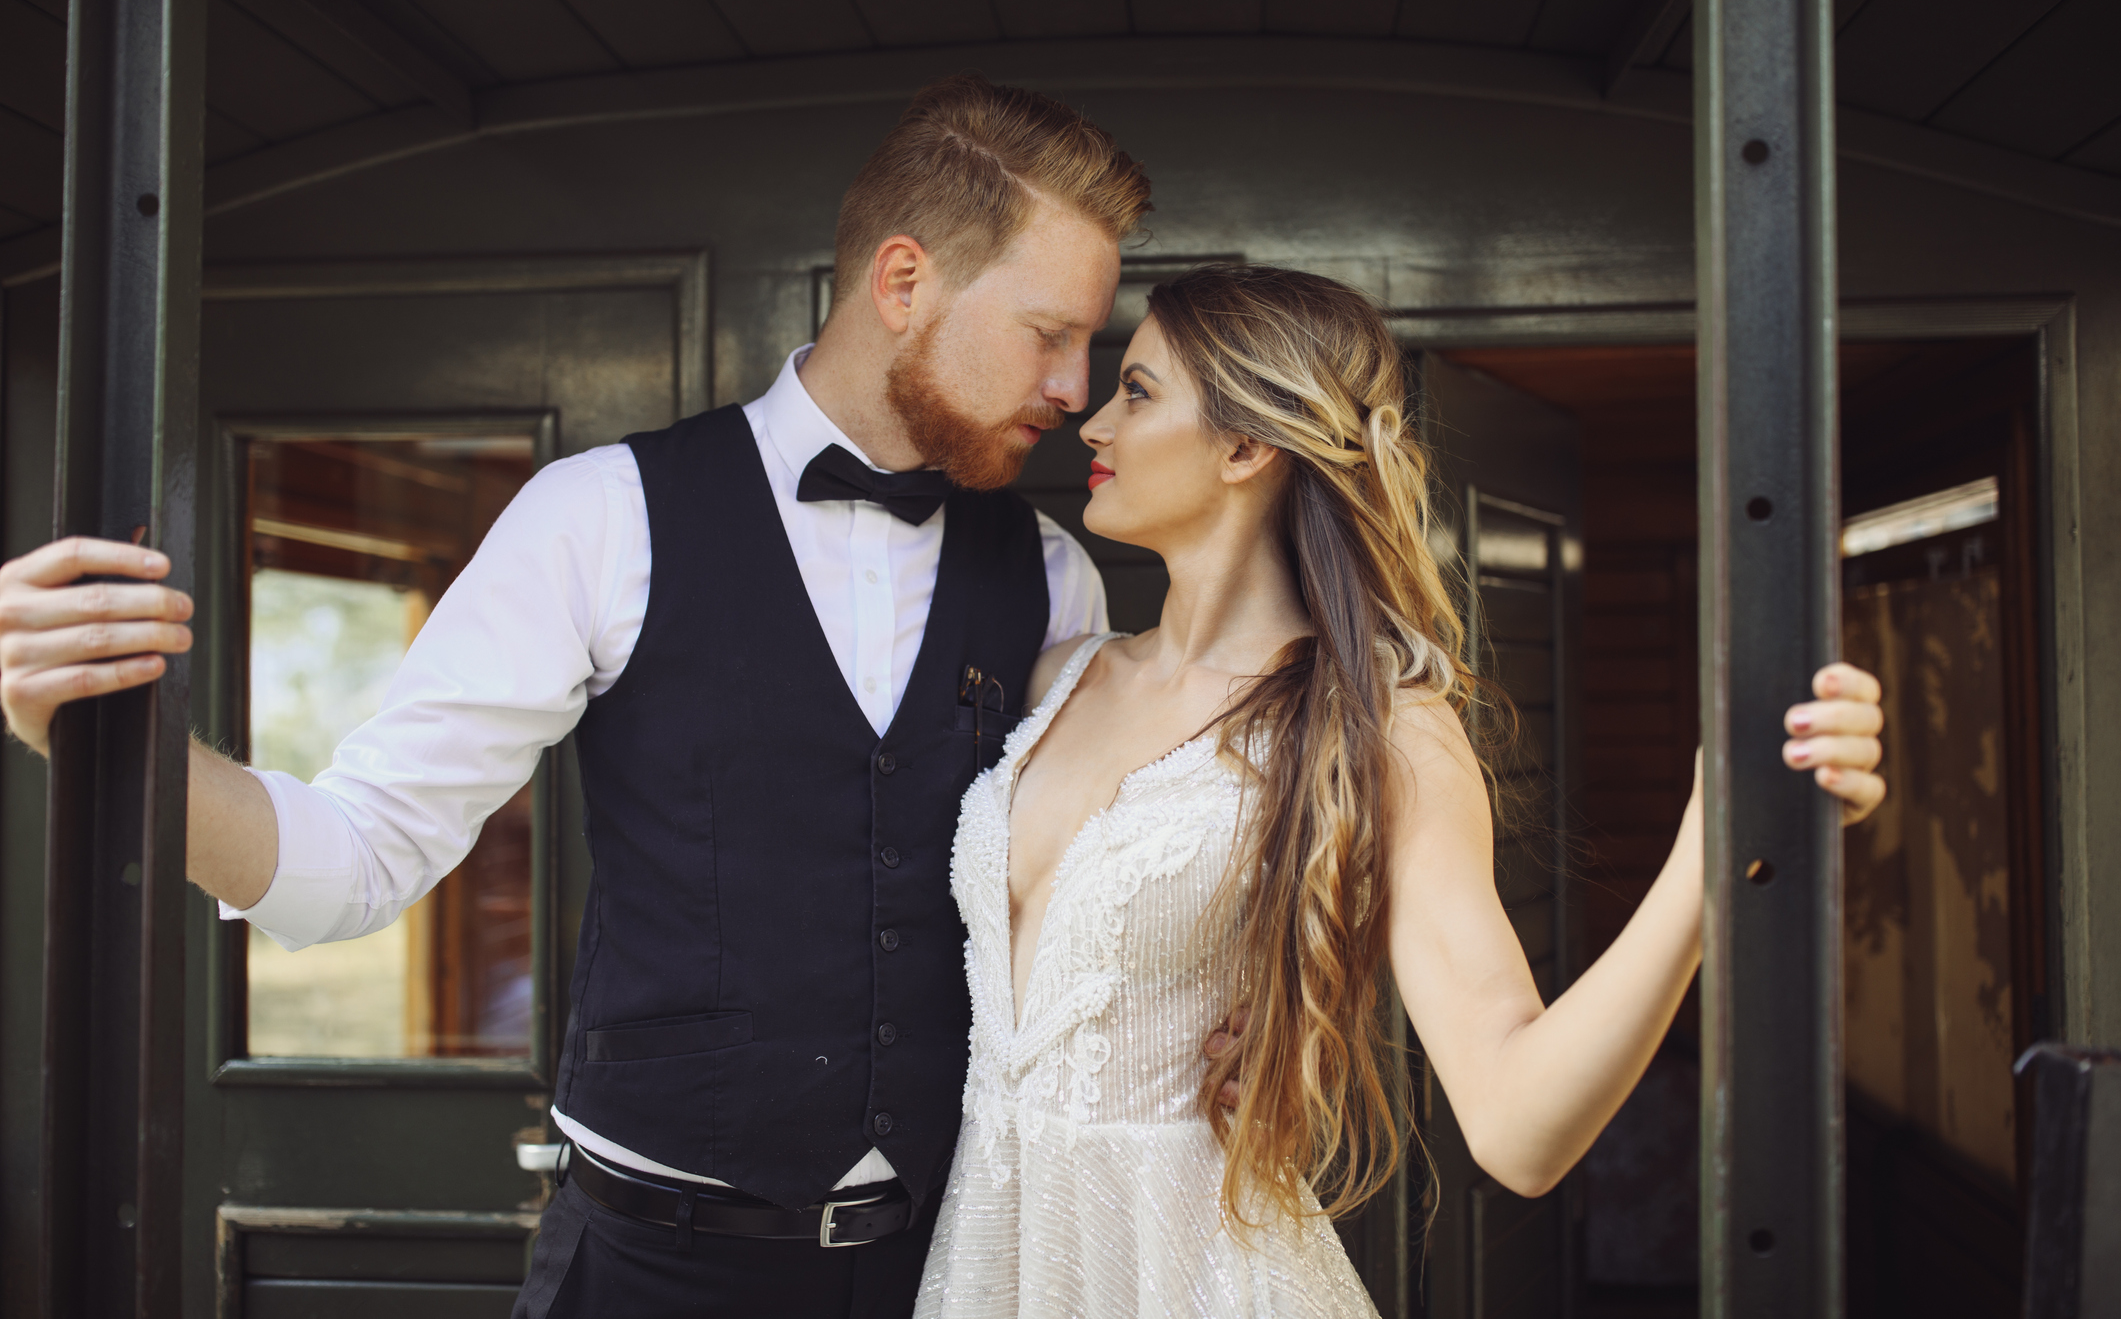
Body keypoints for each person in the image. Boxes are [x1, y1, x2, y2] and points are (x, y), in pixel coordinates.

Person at [0, 76, 1153, 1319]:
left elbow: (1088, 929)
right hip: (650, 1274)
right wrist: (108, 745)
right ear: (903, 281)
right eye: (1049, 334)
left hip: (959, 1269)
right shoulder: (598, 516)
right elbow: (350, 861)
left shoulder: (1052, 579)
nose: (1074, 386)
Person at [910, 264, 1885, 1317]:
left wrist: (1713, 844)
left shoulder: (1375, 731)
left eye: (1138, 392)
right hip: (991, 1265)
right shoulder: (1060, 677)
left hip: (1195, 1278)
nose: (1091, 424)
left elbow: (1519, 1130)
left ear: (1246, 446)